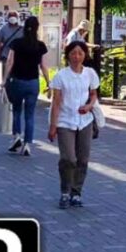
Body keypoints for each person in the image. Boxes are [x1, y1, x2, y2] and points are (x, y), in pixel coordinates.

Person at [49, 41, 101, 209]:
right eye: (73, 53)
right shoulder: (61, 76)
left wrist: (89, 106)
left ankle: (76, 192)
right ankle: (65, 190)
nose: (77, 57)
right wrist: (53, 126)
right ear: (68, 55)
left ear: (85, 55)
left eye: (80, 53)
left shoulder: (90, 74)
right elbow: (56, 102)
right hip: (65, 120)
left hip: (85, 121)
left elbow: (94, 94)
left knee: (83, 159)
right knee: (68, 158)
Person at [5, 16, 49, 157]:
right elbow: (43, 65)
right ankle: (27, 144)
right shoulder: (40, 45)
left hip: (18, 80)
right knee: (30, 115)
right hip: (33, 82)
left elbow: (10, 61)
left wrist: (4, 78)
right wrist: (48, 82)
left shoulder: (17, 43)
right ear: (37, 28)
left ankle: (16, 135)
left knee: (17, 110)